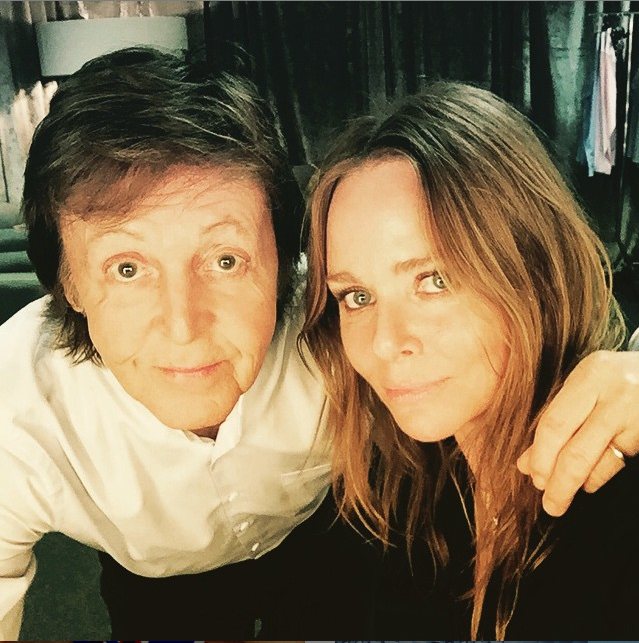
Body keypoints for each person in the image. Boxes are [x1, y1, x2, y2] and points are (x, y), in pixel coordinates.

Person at [1, 47, 639, 640]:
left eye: (225, 260)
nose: (183, 325)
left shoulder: (333, 331)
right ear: (67, 284)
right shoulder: (16, 414)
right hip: (159, 580)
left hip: (322, 547)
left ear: (284, 265)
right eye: (127, 268)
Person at [302, 81, 639, 639]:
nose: (385, 342)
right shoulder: (401, 482)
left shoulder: (619, 505)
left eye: (434, 280)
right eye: (356, 296)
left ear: (533, 270)